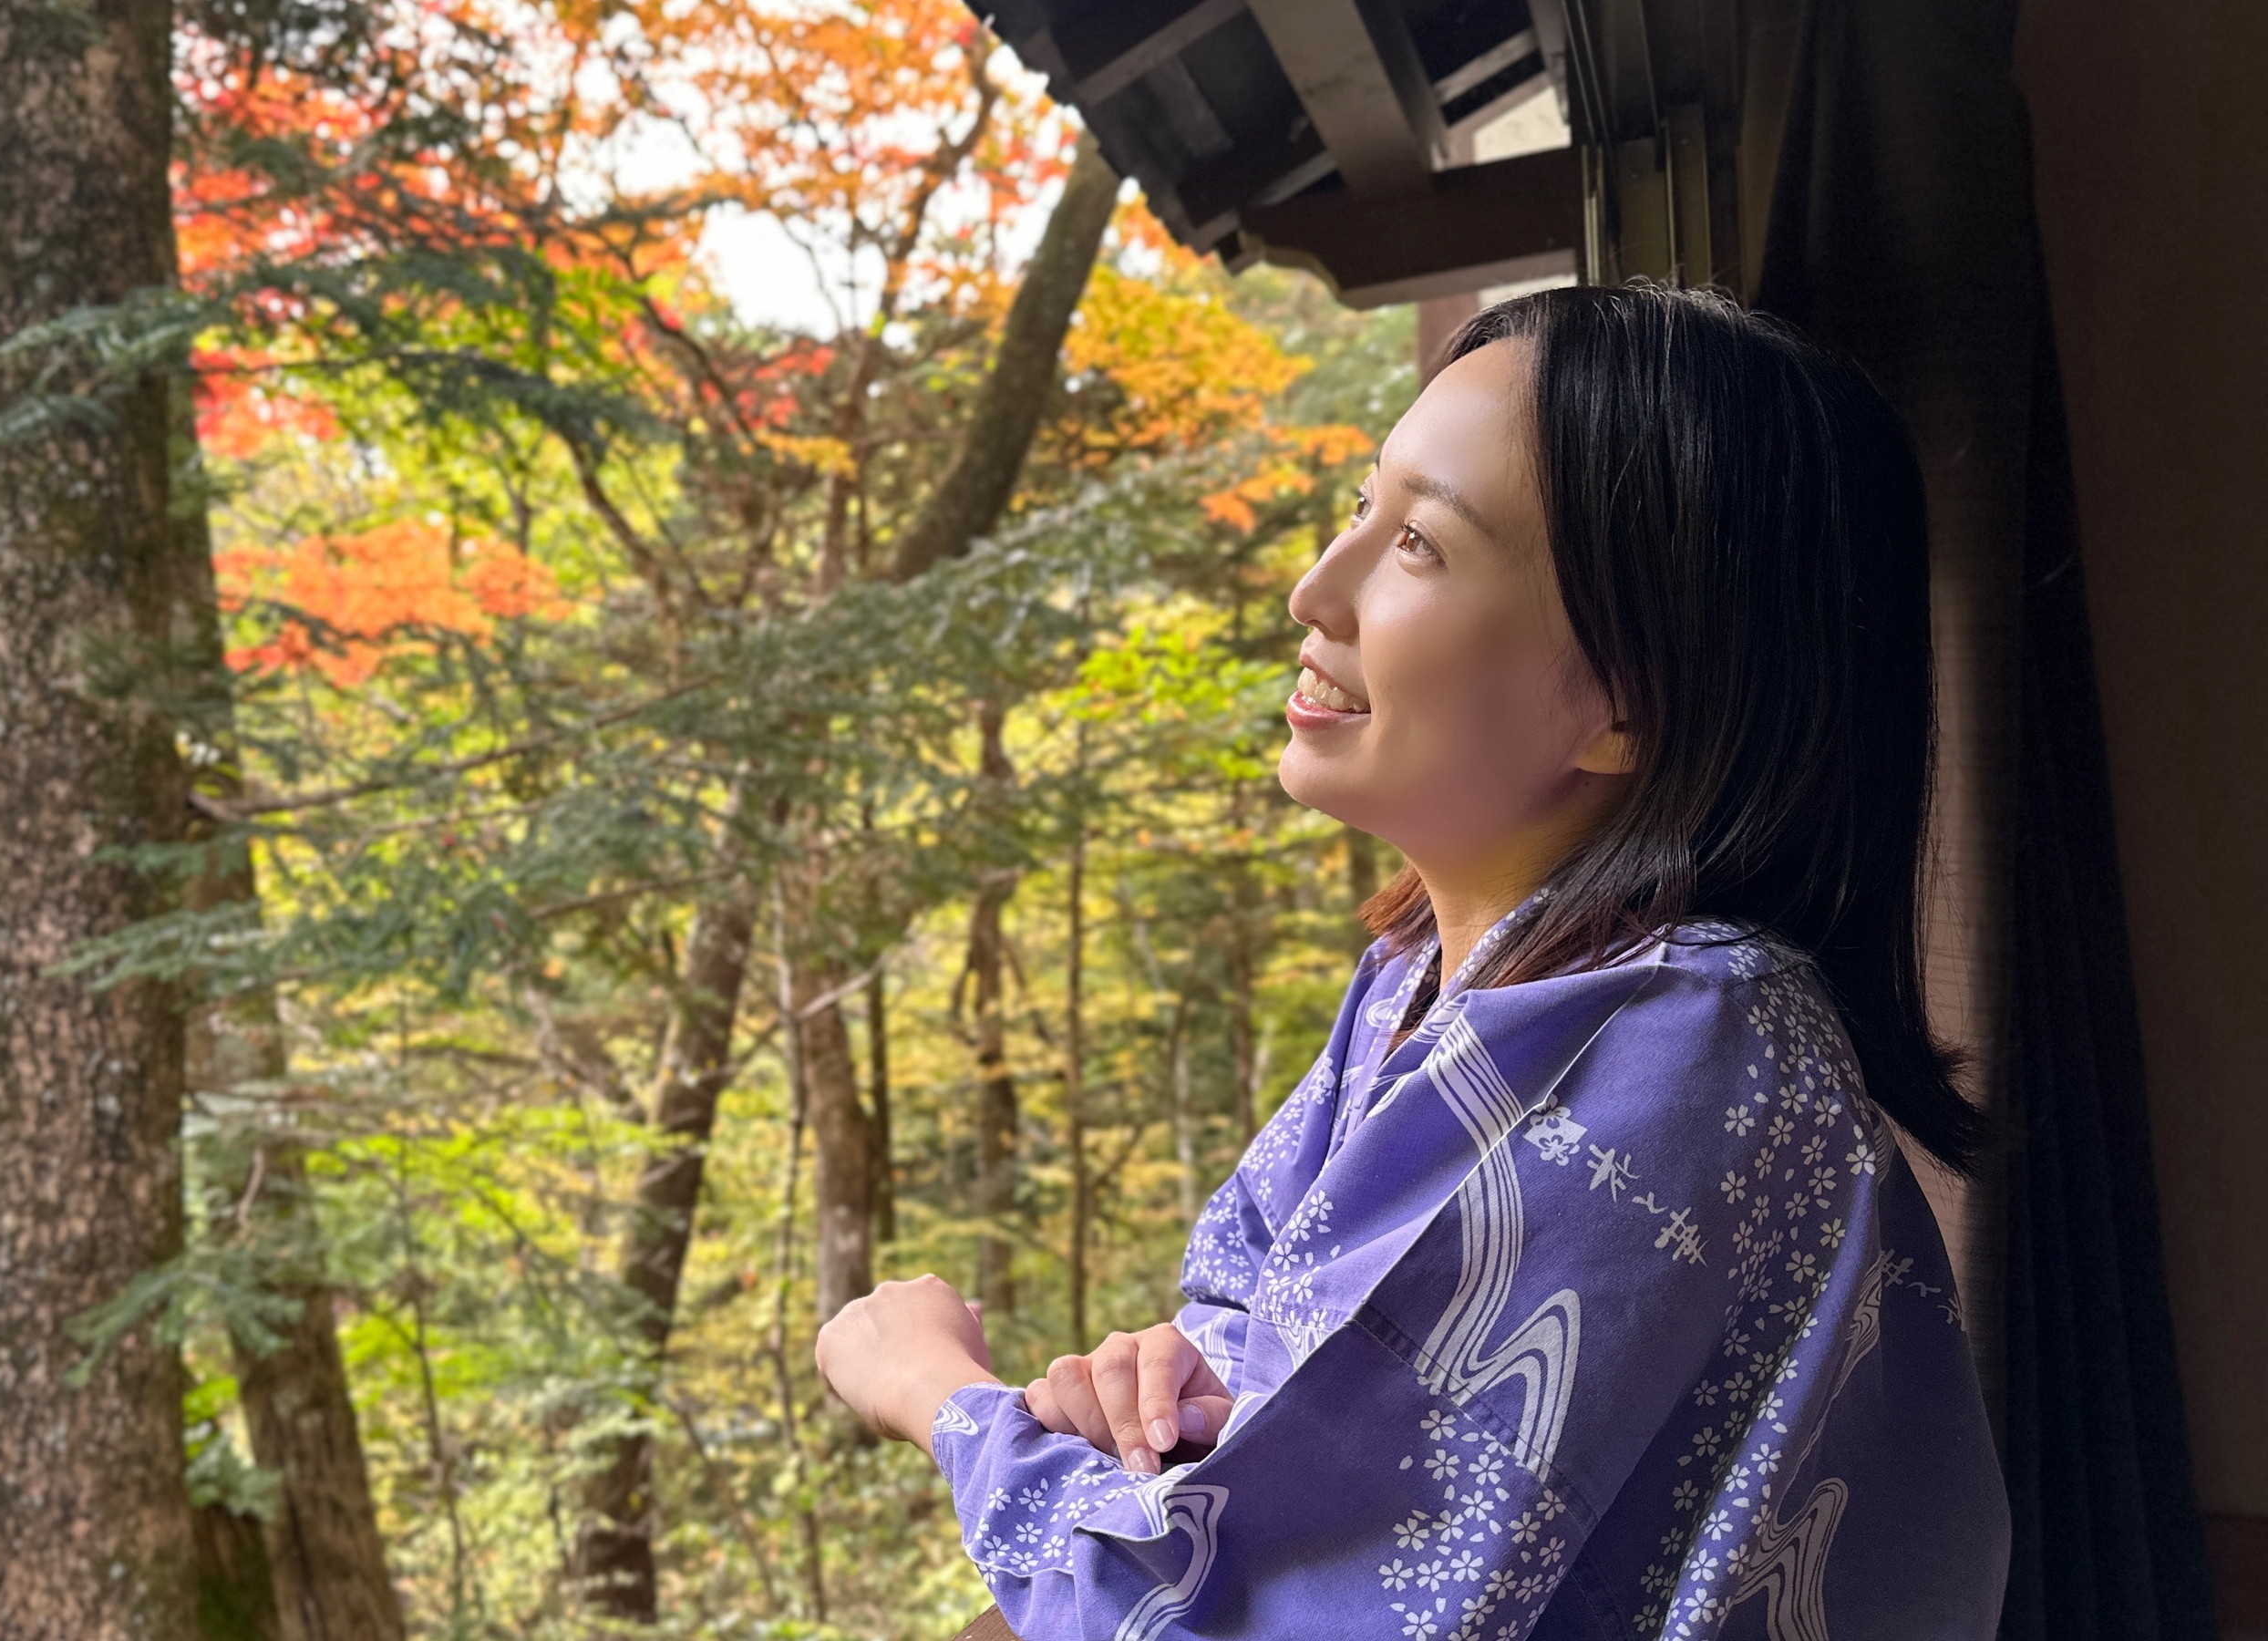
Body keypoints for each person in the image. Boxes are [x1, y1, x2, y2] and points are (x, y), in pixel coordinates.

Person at [814, 283, 2010, 1639]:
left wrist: (933, 1391)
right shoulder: (1423, 987)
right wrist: (1179, 1382)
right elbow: (1277, 1360)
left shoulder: (1681, 1037)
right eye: (1359, 512)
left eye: (1422, 546)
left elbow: (1232, 1611)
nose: (1314, 590)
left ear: (1630, 698)